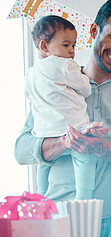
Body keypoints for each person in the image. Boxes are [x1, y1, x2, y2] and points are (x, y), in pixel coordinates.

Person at [14, 0, 111, 237]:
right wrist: (66, 142)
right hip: (56, 222)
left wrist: (103, 149)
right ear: (94, 31)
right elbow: (21, 150)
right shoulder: (56, 83)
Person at [26, 15, 99, 200]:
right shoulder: (65, 65)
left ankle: (40, 197)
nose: (72, 51)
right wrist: (83, 76)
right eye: (66, 45)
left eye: (74, 45)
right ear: (44, 46)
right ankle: (83, 198)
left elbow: (30, 96)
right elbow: (85, 89)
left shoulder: (32, 72)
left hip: (44, 132)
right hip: (73, 126)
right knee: (85, 156)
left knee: (44, 163)